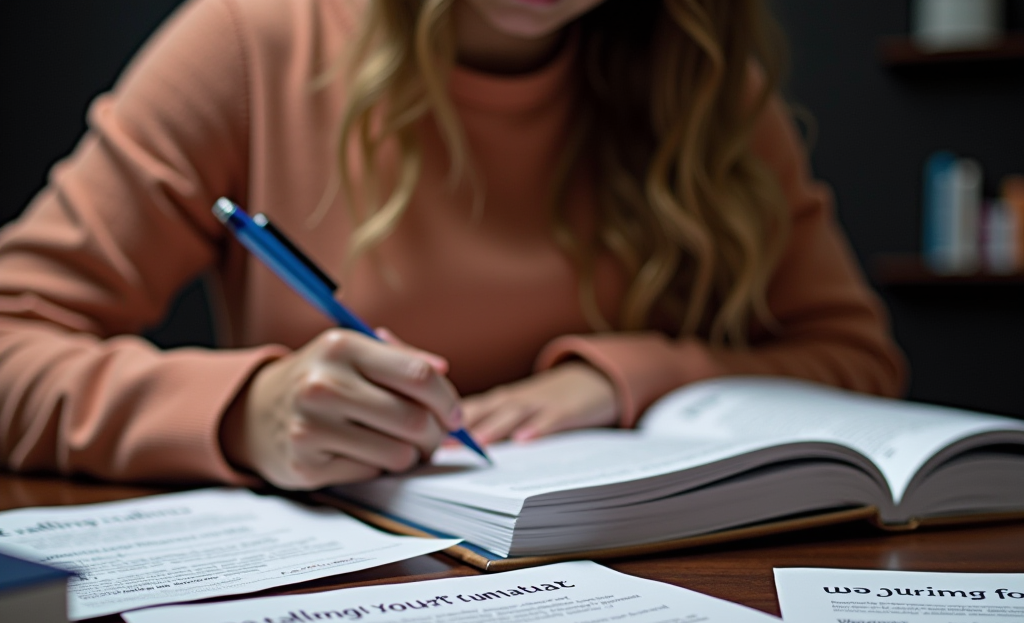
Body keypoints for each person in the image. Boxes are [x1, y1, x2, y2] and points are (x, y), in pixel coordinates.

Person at [0, 0, 906, 490]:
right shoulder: (253, 40)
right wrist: (245, 412)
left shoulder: (705, 87)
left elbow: (857, 361)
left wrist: (623, 378)